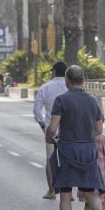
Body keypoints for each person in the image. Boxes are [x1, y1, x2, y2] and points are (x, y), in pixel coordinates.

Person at [44, 65, 105, 210]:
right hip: (89, 151)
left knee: (65, 194)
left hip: (67, 151)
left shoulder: (61, 100)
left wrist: (49, 138)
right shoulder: (92, 101)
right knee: (90, 192)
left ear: (67, 80)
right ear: (84, 79)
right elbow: (99, 130)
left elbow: (52, 128)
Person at [34, 61, 68, 200]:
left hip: (50, 130)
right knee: (66, 160)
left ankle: (52, 190)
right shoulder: (70, 87)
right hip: (68, 131)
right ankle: (67, 192)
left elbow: (37, 110)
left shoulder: (45, 87)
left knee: (50, 160)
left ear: (53, 71)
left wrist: (43, 126)